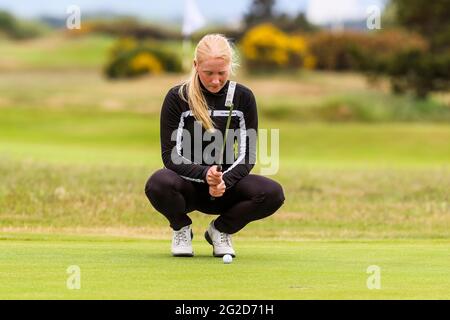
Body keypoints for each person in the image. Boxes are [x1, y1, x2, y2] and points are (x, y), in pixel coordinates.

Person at [145, 34, 285, 258]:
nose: (215, 80)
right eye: (208, 73)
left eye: (222, 73)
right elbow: (170, 155)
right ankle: (181, 228)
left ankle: (220, 230)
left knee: (272, 193)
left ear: (230, 67)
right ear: (195, 65)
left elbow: (247, 155)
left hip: (226, 188)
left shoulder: (243, 97)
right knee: (157, 183)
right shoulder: (178, 97)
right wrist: (205, 174)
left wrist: (223, 180)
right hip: (188, 186)